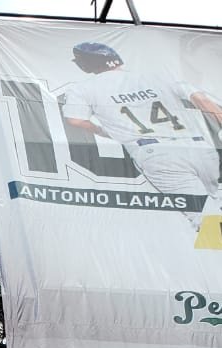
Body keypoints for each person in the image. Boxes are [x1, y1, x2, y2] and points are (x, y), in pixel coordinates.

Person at [63, 44, 222, 230]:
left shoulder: (84, 88)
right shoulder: (158, 76)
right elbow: (202, 100)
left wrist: (103, 131)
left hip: (157, 153)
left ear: (85, 64)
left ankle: (214, 255)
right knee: (216, 203)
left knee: (204, 219)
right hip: (199, 147)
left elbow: (75, 120)